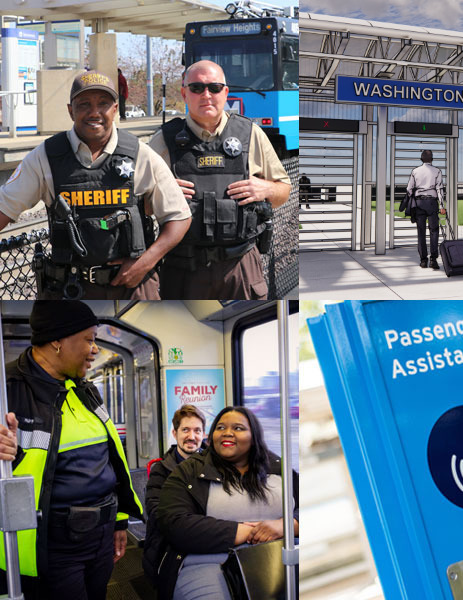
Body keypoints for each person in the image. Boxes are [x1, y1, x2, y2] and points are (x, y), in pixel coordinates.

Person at [0, 70, 191, 300]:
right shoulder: (44, 157)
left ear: (115, 109)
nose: (94, 112)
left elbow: (179, 217)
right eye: (83, 104)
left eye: (103, 103)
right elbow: (4, 208)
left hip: (134, 290)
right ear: (70, 110)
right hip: (68, 291)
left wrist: (145, 262)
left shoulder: (140, 154)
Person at [0, 301, 143, 599]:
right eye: (89, 340)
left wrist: (118, 521)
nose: (94, 349)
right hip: (52, 542)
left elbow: (110, 461)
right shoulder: (8, 390)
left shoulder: (84, 389)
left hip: (101, 533)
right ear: (56, 341)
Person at [148, 60, 292, 300]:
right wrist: (159, 194)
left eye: (214, 88)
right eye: (196, 88)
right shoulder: (163, 140)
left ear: (225, 93)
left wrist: (265, 188)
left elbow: (284, 190)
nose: (206, 95)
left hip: (241, 267)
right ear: (184, 93)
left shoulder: (251, 134)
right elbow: (137, 202)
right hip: (183, 268)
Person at [156, 406, 299, 600]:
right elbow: (173, 523)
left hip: (276, 557)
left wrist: (287, 525)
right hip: (208, 561)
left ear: (254, 435)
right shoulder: (187, 472)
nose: (227, 433)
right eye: (221, 427)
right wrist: (246, 532)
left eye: (238, 428)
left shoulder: (278, 468)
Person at [142, 404, 207, 586]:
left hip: (208, 542)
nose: (191, 437)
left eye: (197, 431)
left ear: (204, 434)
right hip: (170, 547)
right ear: (175, 433)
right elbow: (158, 514)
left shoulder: (216, 467)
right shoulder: (161, 471)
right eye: (185, 430)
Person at [406, 149, 446, 270]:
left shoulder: (415, 171)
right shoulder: (437, 171)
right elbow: (440, 189)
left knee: (421, 232)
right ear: (432, 159)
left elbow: (409, 189)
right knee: (434, 231)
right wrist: (442, 206)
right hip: (432, 203)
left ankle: (423, 260)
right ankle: (433, 260)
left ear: (421, 159)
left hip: (419, 203)